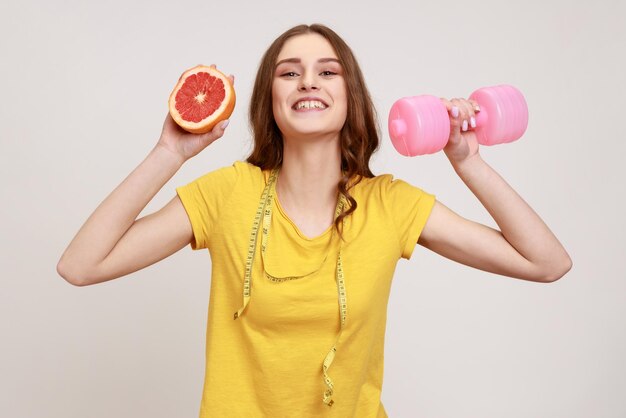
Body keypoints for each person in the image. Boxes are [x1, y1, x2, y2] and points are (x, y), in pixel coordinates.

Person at [57, 23, 572, 418]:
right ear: (270, 99)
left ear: (351, 99)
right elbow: (80, 266)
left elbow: (547, 262)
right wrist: (170, 151)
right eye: (289, 71)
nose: (308, 80)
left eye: (328, 71)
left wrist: (468, 161)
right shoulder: (228, 194)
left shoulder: (390, 205)